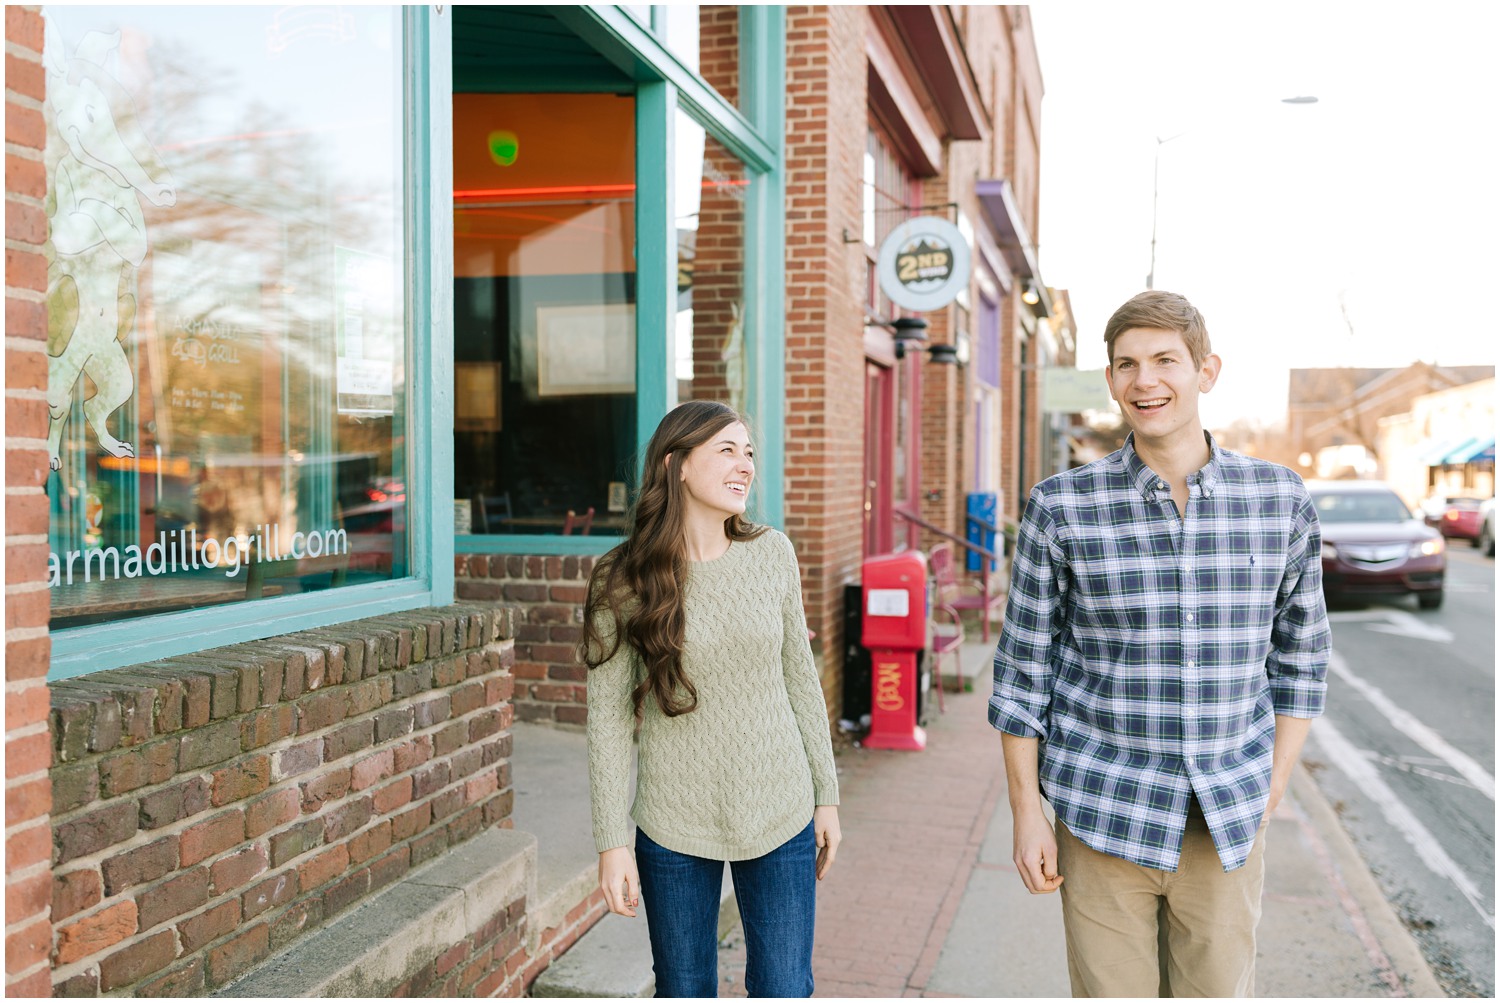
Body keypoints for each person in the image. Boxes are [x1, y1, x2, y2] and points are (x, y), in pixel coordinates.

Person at [989, 290, 1331, 997]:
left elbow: (1301, 657)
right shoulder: (1061, 507)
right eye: (1127, 364)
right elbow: (1023, 674)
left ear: (1206, 369)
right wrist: (1028, 814)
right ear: (1110, 380)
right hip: (1102, 813)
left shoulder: (1280, 500)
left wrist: (1273, 783)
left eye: (1165, 360)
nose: (1146, 381)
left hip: (1225, 822)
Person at [582, 399, 841, 998]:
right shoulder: (622, 578)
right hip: (673, 820)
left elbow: (799, 677)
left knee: (784, 987)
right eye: (726, 450)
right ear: (676, 465)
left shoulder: (773, 553)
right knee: (683, 987)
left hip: (780, 807)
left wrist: (826, 794)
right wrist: (611, 842)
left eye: (748, 452)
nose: (745, 464)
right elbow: (609, 721)